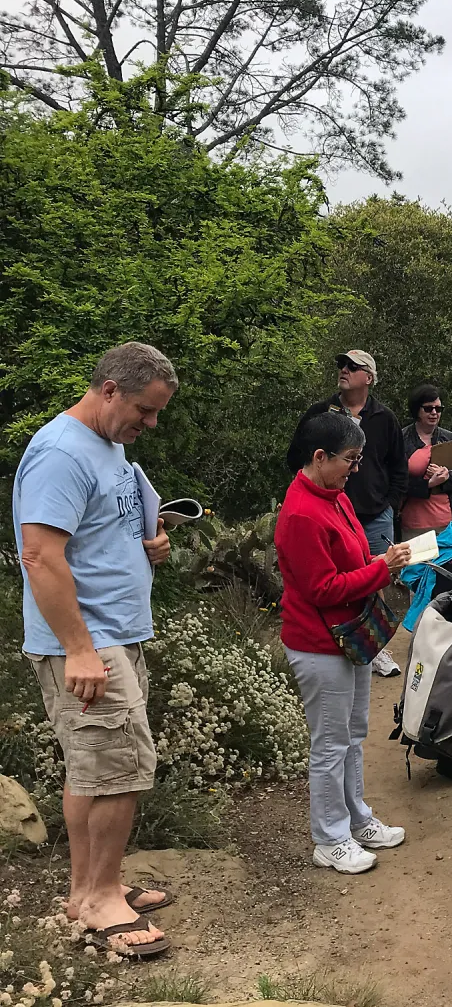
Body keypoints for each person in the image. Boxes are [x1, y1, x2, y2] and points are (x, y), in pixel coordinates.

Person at [13, 342, 180, 957]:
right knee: (120, 770)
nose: (150, 423)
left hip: (116, 631)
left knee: (95, 769)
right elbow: (40, 555)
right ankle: (104, 897)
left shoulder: (109, 445)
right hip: (88, 642)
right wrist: (80, 650)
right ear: (109, 389)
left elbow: (104, 530)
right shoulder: (60, 453)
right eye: (144, 409)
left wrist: (152, 544)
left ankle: (86, 891)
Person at [275, 412, 413, 873]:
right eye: (349, 461)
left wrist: (380, 560)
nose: (355, 470)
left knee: (353, 734)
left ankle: (357, 818)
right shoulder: (301, 513)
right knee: (330, 743)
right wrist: (381, 569)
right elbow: (322, 589)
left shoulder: (333, 497)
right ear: (320, 457)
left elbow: (350, 556)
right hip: (318, 644)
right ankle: (329, 838)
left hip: (350, 638)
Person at [293, 349, 407, 677]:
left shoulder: (384, 418)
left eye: (352, 367)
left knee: (375, 574)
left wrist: (390, 502)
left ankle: (374, 645)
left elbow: (398, 465)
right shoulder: (320, 414)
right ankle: (345, 640)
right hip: (328, 508)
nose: (343, 370)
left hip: (372, 512)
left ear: (368, 377)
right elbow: (295, 456)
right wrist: (314, 489)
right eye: (341, 365)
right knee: (348, 575)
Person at [400, 383, 452, 540]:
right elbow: (395, 481)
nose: (434, 413)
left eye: (438, 409)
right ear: (417, 410)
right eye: (428, 408)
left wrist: (447, 477)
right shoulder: (402, 439)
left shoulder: (448, 437)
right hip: (414, 526)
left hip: (450, 524)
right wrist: (427, 484)